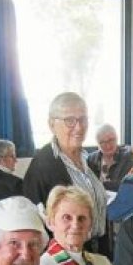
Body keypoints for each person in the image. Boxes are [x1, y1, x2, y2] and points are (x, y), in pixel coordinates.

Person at [22, 92, 110, 254]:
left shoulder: (88, 160)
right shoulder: (43, 165)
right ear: (51, 124)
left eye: (83, 119)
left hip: (95, 252)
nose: (79, 127)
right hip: (65, 257)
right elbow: (34, 222)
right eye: (70, 120)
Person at [87, 123, 133, 192]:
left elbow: (126, 185)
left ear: (117, 138)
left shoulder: (128, 156)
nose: (108, 146)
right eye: (102, 142)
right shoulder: (91, 159)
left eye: (111, 140)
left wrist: (100, 186)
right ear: (97, 144)